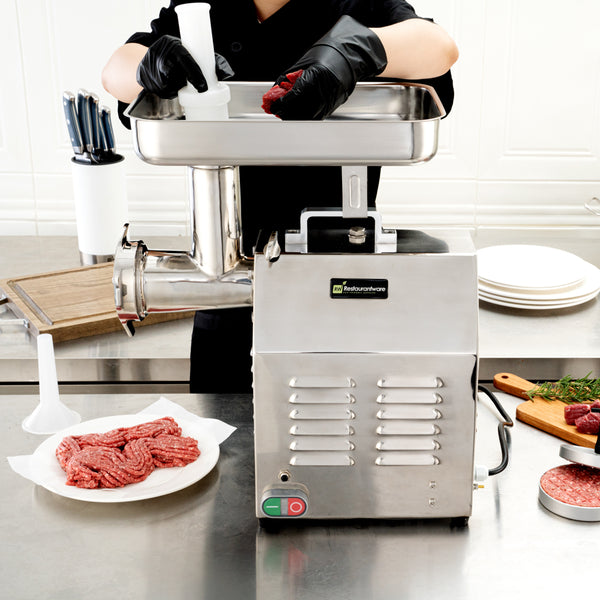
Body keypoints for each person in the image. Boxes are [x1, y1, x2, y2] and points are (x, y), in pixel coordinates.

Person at [102, 0, 458, 394]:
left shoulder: (354, 3)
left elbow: (438, 46)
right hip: (227, 288)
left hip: (338, 288)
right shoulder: (209, 7)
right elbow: (116, 69)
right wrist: (147, 65)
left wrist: (354, 50)